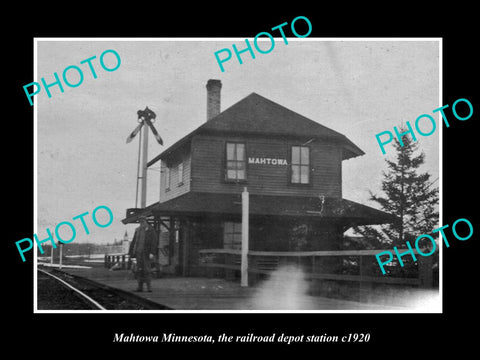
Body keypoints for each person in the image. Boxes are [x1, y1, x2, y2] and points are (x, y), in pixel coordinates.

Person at [128, 216, 158, 292]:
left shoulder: (151, 230)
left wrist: (152, 252)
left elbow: (154, 242)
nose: (141, 223)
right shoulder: (137, 230)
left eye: (143, 221)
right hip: (138, 253)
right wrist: (131, 252)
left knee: (147, 270)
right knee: (139, 270)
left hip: (146, 253)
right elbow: (134, 241)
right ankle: (140, 287)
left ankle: (149, 287)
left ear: (146, 221)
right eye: (140, 221)